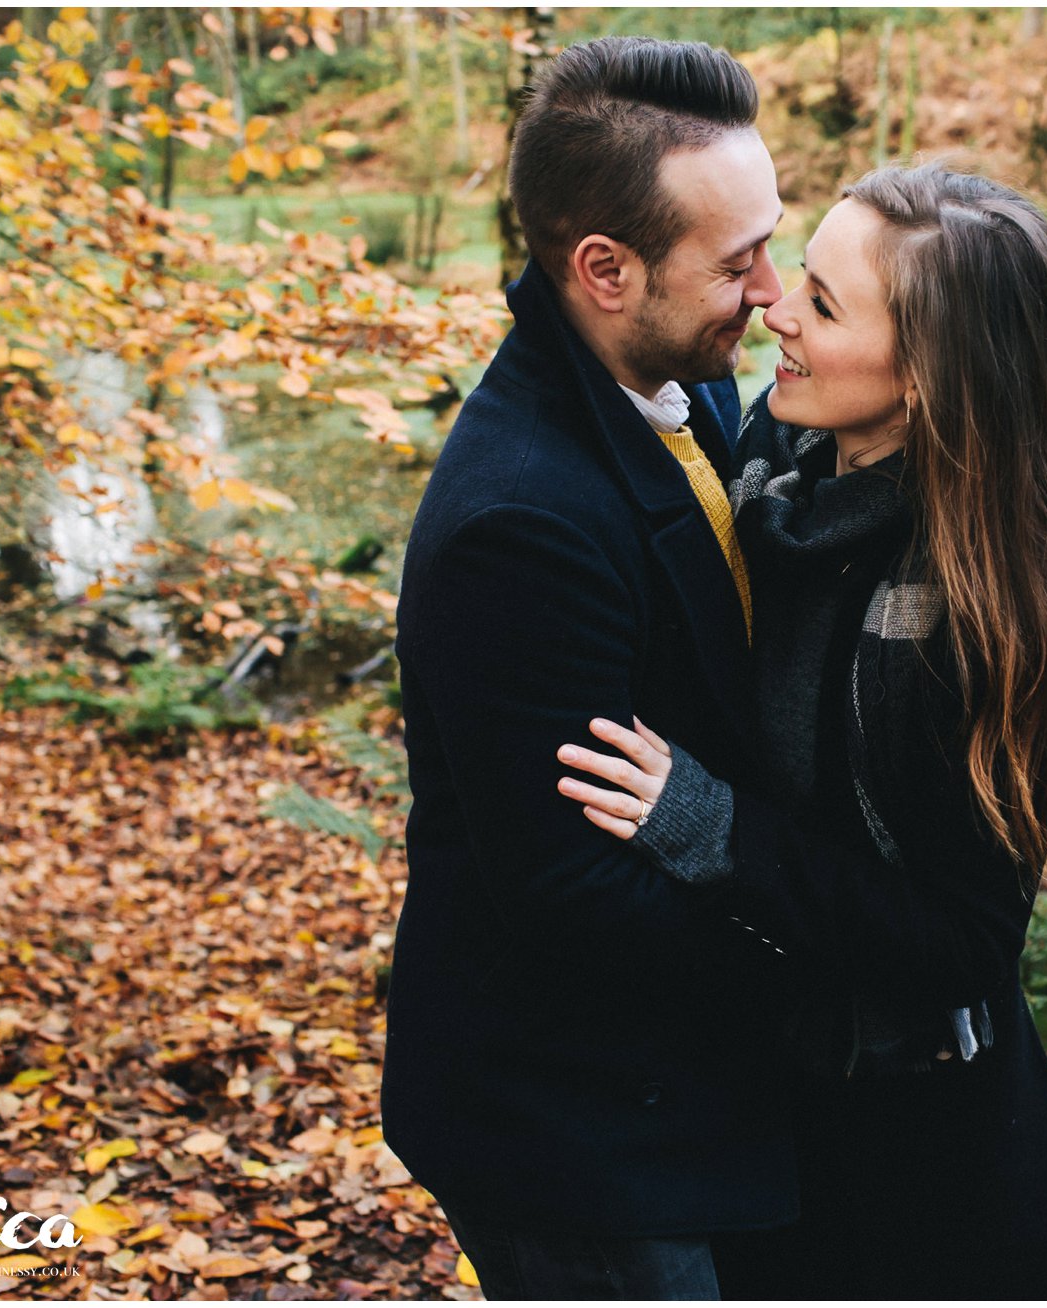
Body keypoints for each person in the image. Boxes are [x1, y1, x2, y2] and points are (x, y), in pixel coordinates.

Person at [555, 163, 1047, 1299]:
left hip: (917, 1156)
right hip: (769, 1103)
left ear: (927, 384)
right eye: (794, 280)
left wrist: (710, 830)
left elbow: (964, 943)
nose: (774, 308)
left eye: (821, 305)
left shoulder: (974, 617)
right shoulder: (775, 472)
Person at [381, 37, 796, 1299]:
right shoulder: (522, 521)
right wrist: (834, 944)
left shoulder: (674, 382)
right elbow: (573, 896)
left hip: (686, 1090)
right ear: (604, 270)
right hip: (576, 1134)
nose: (773, 292)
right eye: (736, 263)